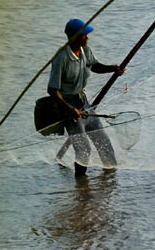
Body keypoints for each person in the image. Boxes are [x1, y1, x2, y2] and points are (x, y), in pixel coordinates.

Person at [48, 18, 125, 178]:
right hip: (68, 107)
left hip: (84, 103)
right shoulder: (61, 58)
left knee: (103, 142)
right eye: (84, 34)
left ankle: (110, 179)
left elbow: (95, 66)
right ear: (75, 36)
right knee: (84, 149)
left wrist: (113, 69)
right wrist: (70, 109)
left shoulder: (85, 51)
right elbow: (52, 90)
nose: (88, 37)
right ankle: (81, 187)